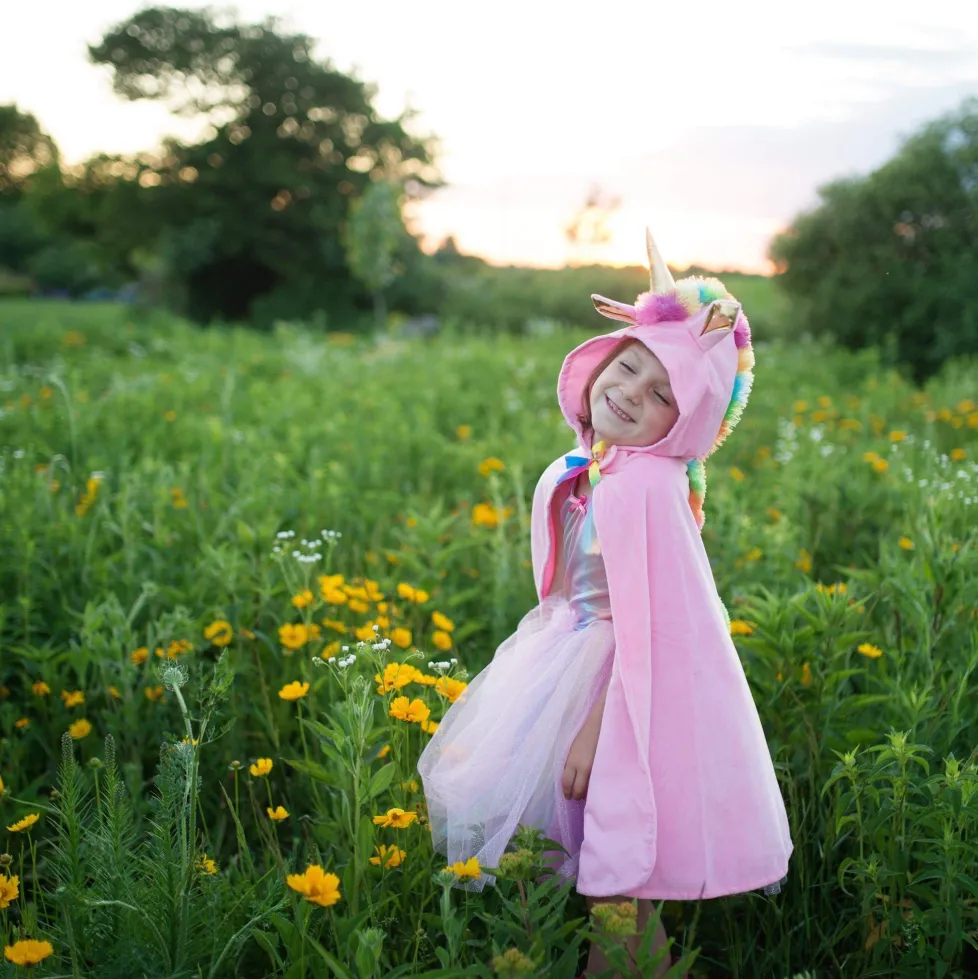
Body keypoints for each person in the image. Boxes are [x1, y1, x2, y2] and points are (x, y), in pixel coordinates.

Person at [417, 230, 793, 977]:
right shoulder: (597, 467)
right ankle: (625, 957)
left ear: (685, 425)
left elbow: (652, 625)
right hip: (572, 662)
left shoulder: (644, 488)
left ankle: (622, 961)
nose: (629, 392)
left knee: (617, 849)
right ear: (601, 360)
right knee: (599, 852)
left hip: (619, 687)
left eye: (663, 394)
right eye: (627, 367)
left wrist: (594, 730)